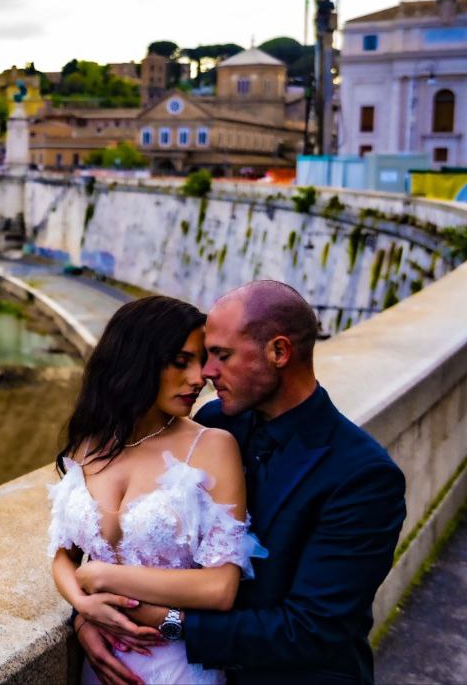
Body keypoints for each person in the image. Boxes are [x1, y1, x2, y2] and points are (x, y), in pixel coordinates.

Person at [75, 280, 406, 685]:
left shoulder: (364, 475)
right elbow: (129, 541)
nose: (207, 373)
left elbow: (312, 631)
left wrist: (159, 620)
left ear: (279, 352)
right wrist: (88, 616)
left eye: (221, 356)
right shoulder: (214, 423)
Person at [49, 295, 262, 685]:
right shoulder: (89, 443)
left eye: (202, 362)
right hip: (100, 666)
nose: (199, 378)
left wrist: (103, 576)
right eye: (181, 362)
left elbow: (221, 587)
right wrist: (83, 609)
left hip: (176, 668)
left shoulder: (213, 447)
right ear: (136, 360)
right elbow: (63, 557)